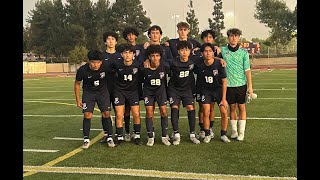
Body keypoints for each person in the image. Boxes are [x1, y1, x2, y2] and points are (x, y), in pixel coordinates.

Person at [74, 50, 115, 149]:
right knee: (87, 114)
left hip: (102, 92)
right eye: (93, 62)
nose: (95, 65)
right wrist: (78, 99)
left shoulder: (106, 67)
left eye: (97, 62)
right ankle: (86, 139)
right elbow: (77, 83)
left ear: (101, 62)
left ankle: (109, 137)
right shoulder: (83, 70)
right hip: (89, 93)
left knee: (106, 113)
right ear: (89, 61)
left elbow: (117, 69)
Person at [106, 44, 144, 145]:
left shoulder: (138, 65)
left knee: (136, 113)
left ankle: (137, 136)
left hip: (133, 92)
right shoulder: (116, 64)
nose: (127, 55)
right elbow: (105, 69)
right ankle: (119, 137)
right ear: (122, 55)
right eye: (125, 53)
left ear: (133, 55)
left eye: (130, 53)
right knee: (119, 114)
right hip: (120, 91)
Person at [221, 28, 253, 141]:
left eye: (236, 36)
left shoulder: (244, 52)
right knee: (232, 108)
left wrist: (250, 87)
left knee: (242, 107)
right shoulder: (222, 50)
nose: (233, 38)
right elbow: (209, 56)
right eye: (231, 36)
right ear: (228, 37)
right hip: (228, 85)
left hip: (241, 84)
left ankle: (241, 132)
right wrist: (218, 58)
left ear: (239, 38)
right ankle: (234, 131)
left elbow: (247, 70)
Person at [194, 43, 230, 143]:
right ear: (202, 53)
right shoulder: (199, 64)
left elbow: (224, 81)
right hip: (206, 90)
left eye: (210, 51)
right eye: (205, 51)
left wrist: (223, 98)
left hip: (218, 90)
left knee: (223, 111)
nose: (208, 53)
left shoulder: (219, 64)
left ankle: (223, 134)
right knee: (206, 110)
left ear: (213, 52)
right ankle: (207, 133)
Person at [166, 41, 200, 145]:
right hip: (174, 89)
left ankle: (192, 134)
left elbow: (207, 58)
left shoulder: (193, 61)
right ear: (178, 51)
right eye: (182, 50)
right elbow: (160, 62)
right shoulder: (173, 62)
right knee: (175, 107)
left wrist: (219, 58)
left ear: (190, 51)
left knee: (190, 108)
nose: (184, 52)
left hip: (187, 89)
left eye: (186, 50)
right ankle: (176, 134)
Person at [142, 45, 171, 146]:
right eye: (152, 56)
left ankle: (164, 136)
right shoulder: (144, 67)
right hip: (148, 92)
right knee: (149, 112)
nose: (155, 58)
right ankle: (150, 136)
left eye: (157, 55)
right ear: (149, 57)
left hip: (161, 91)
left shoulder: (165, 66)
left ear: (160, 56)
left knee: (163, 111)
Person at [122, 26, 144, 141]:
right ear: (126, 36)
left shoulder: (141, 47)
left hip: (137, 82)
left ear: (136, 35)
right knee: (126, 109)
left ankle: (137, 133)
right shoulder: (122, 49)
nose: (131, 37)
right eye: (128, 35)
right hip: (125, 83)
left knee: (135, 109)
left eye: (133, 34)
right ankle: (126, 131)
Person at [100, 31, 122, 144]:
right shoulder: (102, 56)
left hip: (118, 89)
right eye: (108, 39)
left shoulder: (120, 55)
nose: (110, 41)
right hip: (105, 88)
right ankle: (107, 134)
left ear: (116, 41)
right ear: (105, 41)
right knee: (105, 112)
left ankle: (119, 135)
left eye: (113, 39)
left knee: (119, 113)